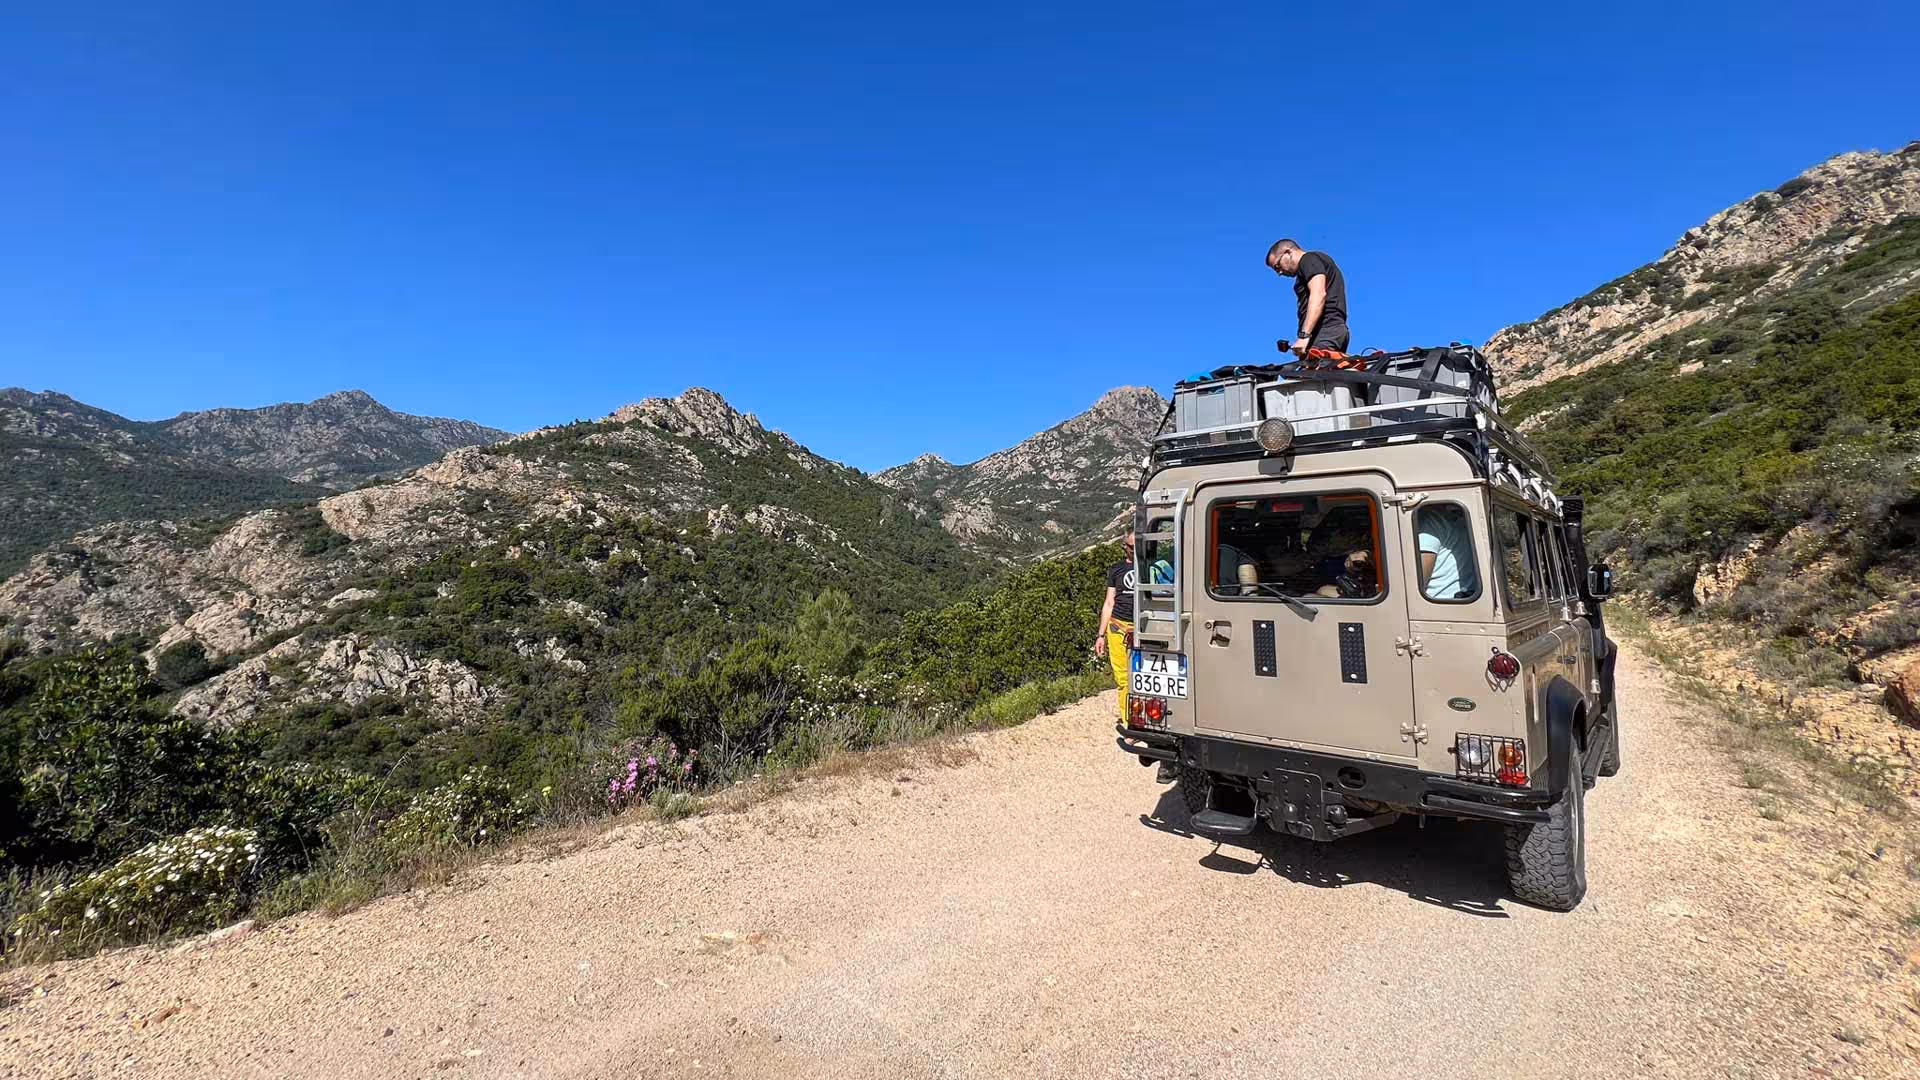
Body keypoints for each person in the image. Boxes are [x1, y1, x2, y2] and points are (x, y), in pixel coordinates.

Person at [1094, 531, 1176, 782]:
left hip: (1144, 629)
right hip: (1118, 628)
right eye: (1130, 546)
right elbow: (1109, 603)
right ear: (1124, 548)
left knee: (1149, 677)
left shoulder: (1156, 568)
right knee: (1123, 679)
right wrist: (1100, 635)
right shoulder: (1116, 570)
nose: (1133, 550)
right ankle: (1134, 725)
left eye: (1137, 546)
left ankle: (1152, 721)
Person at [1266, 239, 1350, 357]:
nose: (1279, 272)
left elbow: (1318, 293)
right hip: (1323, 333)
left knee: (1314, 373)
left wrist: (1304, 336)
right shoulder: (1308, 266)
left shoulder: (1309, 260)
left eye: (1277, 266)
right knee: (1318, 372)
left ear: (1288, 252)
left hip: (1326, 329)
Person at [1417, 504, 1480, 600]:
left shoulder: (1432, 522)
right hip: (1463, 598)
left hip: (1437, 603)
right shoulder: (1465, 521)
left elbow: (1418, 583)